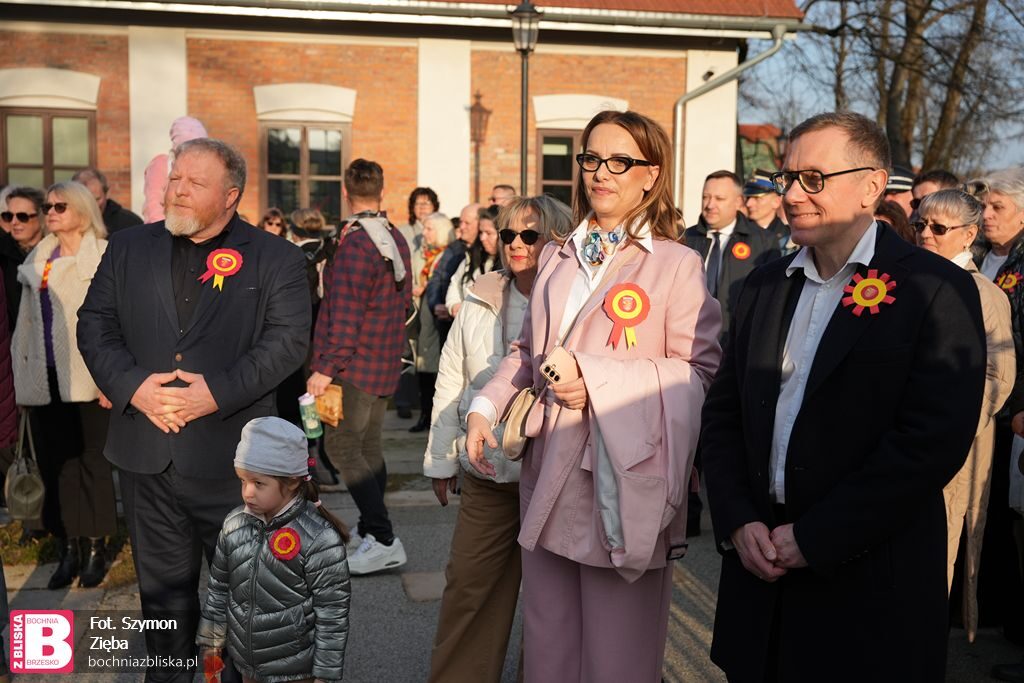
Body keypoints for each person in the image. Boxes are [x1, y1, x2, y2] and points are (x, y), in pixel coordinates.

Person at [701, 112, 986, 682]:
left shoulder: (935, 289)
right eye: (787, 178)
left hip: (869, 583)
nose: (792, 195)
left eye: (814, 178)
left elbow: (930, 442)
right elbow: (725, 412)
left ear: (871, 186)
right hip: (762, 579)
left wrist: (818, 536)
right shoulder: (763, 284)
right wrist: (736, 518)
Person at [466, 109, 722, 683]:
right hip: (546, 469)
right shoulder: (557, 254)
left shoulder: (676, 264)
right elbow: (526, 351)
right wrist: (485, 407)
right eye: (591, 159)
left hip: (621, 479)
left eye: (620, 161)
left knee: (617, 656)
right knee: (549, 645)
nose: (601, 172)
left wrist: (595, 377)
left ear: (650, 174)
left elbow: (699, 373)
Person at [78, 137, 310, 682]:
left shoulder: (276, 258)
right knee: (162, 609)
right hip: (146, 457)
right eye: (174, 179)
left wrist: (216, 392)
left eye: (195, 183)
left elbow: (286, 343)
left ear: (231, 196)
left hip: (235, 464)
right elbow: (94, 325)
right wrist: (135, 387)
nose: (177, 191)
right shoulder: (128, 247)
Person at [424, 195, 571, 683]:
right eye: (508, 234)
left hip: (555, 474)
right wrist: (441, 459)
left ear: (558, 238)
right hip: (488, 470)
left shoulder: (579, 299)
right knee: (469, 588)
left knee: (552, 603)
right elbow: (451, 377)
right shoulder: (480, 294)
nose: (516, 243)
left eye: (530, 234)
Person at [912, 189, 1015, 643]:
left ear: (969, 235)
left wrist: (943, 430)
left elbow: (998, 376)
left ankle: (924, 653)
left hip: (952, 447)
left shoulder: (984, 294)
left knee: (938, 550)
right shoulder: (902, 280)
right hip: (893, 439)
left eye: (939, 228)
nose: (926, 235)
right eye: (920, 225)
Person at [306, 158, 413, 576]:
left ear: (345, 193)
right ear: (381, 191)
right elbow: (404, 301)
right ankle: (371, 529)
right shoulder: (394, 235)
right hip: (383, 361)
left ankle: (383, 538)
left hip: (353, 365)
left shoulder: (355, 243)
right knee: (368, 449)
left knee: (342, 449)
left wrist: (324, 368)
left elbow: (345, 315)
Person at [12, 181, 118, 589]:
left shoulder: (104, 255)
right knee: (60, 466)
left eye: (60, 206)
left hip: (91, 378)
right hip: (47, 379)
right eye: (48, 207)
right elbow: (24, 326)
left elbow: (117, 321)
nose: (50, 213)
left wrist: (111, 380)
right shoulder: (38, 258)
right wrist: (24, 382)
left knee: (94, 463)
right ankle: (68, 548)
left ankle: (95, 548)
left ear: (83, 211)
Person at [197, 417, 350, 683]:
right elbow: (219, 589)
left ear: (292, 481)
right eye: (242, 481)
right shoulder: (234, 525)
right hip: (247, 667)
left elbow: (332, 612)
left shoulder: (319, 538)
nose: (247, 493)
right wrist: (211, 644)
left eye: (258, 483)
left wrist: (325, 674)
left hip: (296, 670)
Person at [684, 170, 780, 339]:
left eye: (719, 199)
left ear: (738, 202)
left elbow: (769, 301)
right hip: (690, 337)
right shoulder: (685, 239)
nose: (710, 205)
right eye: (706, 197)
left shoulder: (763, 242)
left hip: (736, 340)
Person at [409, 212, 457, 434]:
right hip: (421, 316)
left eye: (429, 229)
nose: (424, 233)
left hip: (437, 317)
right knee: (423, 365)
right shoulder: (421, 254)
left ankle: (433, 416)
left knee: (436, 366)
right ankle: (424, 414)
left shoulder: (449, 255)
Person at [396, 187, 439, 419]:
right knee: (407, 347)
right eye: (418, 203)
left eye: (426, 203)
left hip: (430, 299)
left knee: (428, 350)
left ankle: (426, 404)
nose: (422, 207)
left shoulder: (439, 230)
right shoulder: (403, 232)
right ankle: (404, 401)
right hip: (409, 297)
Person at [426, 203, 481, 339]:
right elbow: (436, 279)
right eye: (460, 222)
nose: (461, 227)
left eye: (467, 223)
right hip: (448, 326)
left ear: (480, 224)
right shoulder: (453, 248)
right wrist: (437, 304)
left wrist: (460, 308)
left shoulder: (487, 254)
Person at [142, 116, 208, 223]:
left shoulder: (203, 168)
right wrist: (162, 229)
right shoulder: (161, 164)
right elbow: (153, 204)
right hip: (164, 227)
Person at [445, 206, 500, 317]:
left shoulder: (509, 266)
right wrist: (453, 304)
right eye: (481, 232)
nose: (482, 238)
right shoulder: (472, 257)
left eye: (488, 233)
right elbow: (455, 282)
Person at [72, 167, 144, 235]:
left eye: (97, 199)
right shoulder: (68, 223)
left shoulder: (129, 224)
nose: (92, 206)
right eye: (85, 201)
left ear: (106, 194)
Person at [744, 168, 791, 252]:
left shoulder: (789, 238)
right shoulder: (736, 234)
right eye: (748, 197)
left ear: (776, 202)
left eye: (757, 198)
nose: (748, 204)